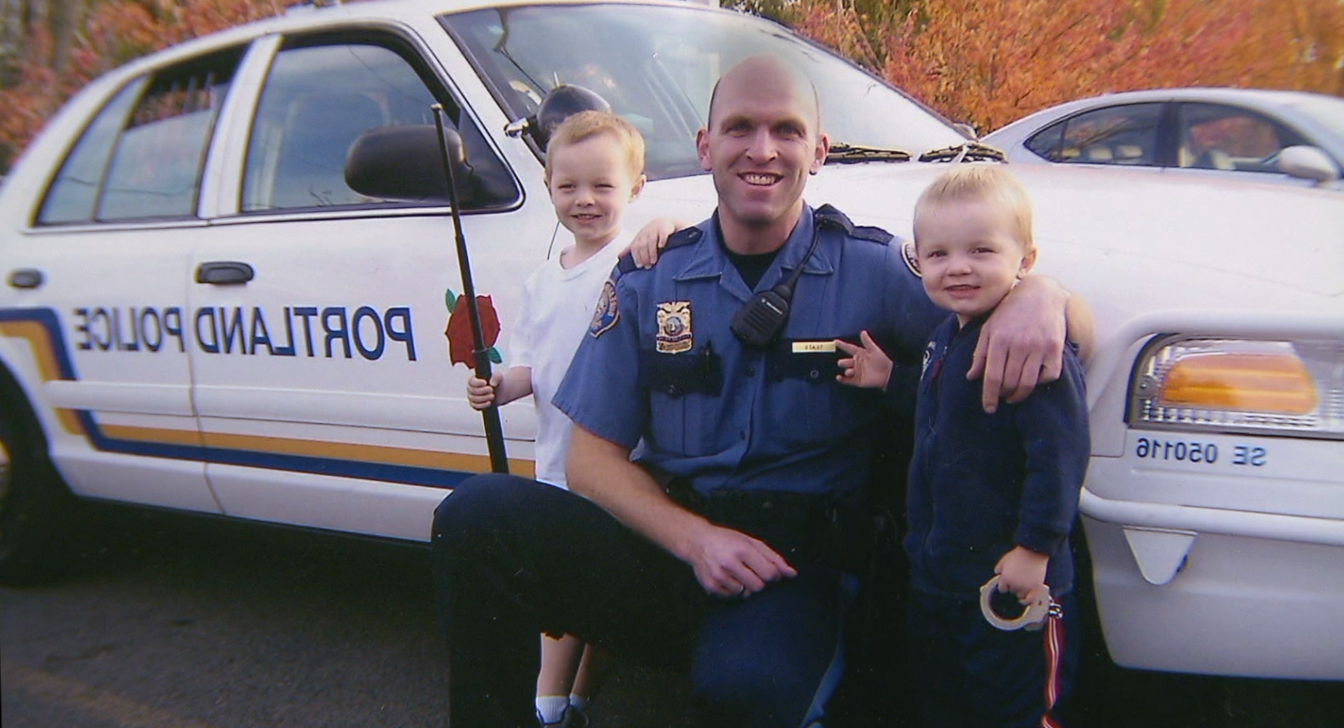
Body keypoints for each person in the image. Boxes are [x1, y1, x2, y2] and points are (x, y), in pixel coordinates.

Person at [431, 54, 1090, 728]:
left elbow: (1059, 328)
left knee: (748, 692)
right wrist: (697, 542)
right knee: (478, 516)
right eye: (740, 127)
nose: (763, 150)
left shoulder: (876, 268)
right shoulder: (651, 279)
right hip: (672, 548)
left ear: (819, 150)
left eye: (787, 130)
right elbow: (589, 462)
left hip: (791, 572)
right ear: (705, 146)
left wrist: (1041, 296)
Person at [835, 165, 1090, 727]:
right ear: (920, 261)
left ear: (1025, 260)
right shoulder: (944, 335)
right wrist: (890, 379)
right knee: (946, 700)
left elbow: (1060, 458)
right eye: (939, 254)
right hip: (941, 577)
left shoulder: (1029, 348)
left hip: (1012, 583)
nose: (958, 268)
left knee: (1019, 707)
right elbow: (946, 411)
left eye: (981, 250)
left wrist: (1036, 549)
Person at [463, 109, 645, 728]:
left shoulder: (639, 261)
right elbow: (527, 368)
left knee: (612, 599)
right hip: (561, 466)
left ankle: (575, 702)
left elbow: (682, 234)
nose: (585, 200)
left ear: (636, 190)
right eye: (568, 187)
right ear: (548, 190)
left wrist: (668, 223)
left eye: (604, 185)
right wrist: (497, 386)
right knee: (563, 590)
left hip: (630, 466)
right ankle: (549, 708)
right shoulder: (542, 283)